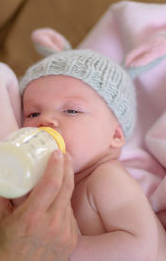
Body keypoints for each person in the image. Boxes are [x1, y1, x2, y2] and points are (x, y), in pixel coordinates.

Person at [19, 48, 166, 260]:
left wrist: (60, 250)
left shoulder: (106, 178)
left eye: (71, 111)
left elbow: (141, 247)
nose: (45, 121)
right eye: (33, 113)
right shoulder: (50, 182)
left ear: (115, 134)